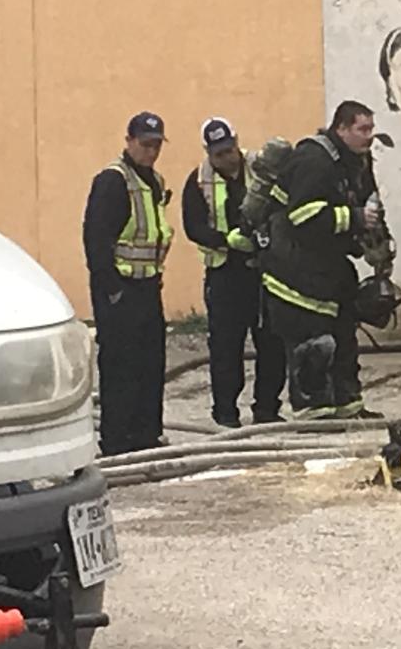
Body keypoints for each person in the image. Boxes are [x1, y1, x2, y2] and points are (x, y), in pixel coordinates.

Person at [261, 101, 385, 420]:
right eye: (362, 129)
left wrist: (377, 247)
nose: (369, 136)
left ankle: (348, 404)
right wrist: (354, 217)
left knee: (344, 334)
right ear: (341, 128)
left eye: (371, 129)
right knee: (314, 342)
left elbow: (366, 203)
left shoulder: (356, 161)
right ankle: (315, 411)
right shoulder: (315, 160)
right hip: (294, 270)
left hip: (326, 267)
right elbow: (303, 216)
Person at [181, 117, 286, 428]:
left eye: (229, 150)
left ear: (237, 143)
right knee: (227, 346)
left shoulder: (260, 167)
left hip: (265, 269)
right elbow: (194, 226)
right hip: (225, 273)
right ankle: (225, 413)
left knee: (271, 342)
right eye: (218, 154)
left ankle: (267, 408)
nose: (226, 158)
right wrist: (225, 241)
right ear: (208, 152)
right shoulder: (199, 180)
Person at [82, 112, 173, 455]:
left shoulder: (154, 181)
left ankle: (147, 435)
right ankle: (118, 442)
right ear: (129, 141)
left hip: (148, 287)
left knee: (151, 365)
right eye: (146, 144)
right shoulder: (113, 181)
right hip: (121, 290)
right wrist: (112, 290)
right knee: (121, 367)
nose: (151, 152)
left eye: (156, 145)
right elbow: (96, 240)